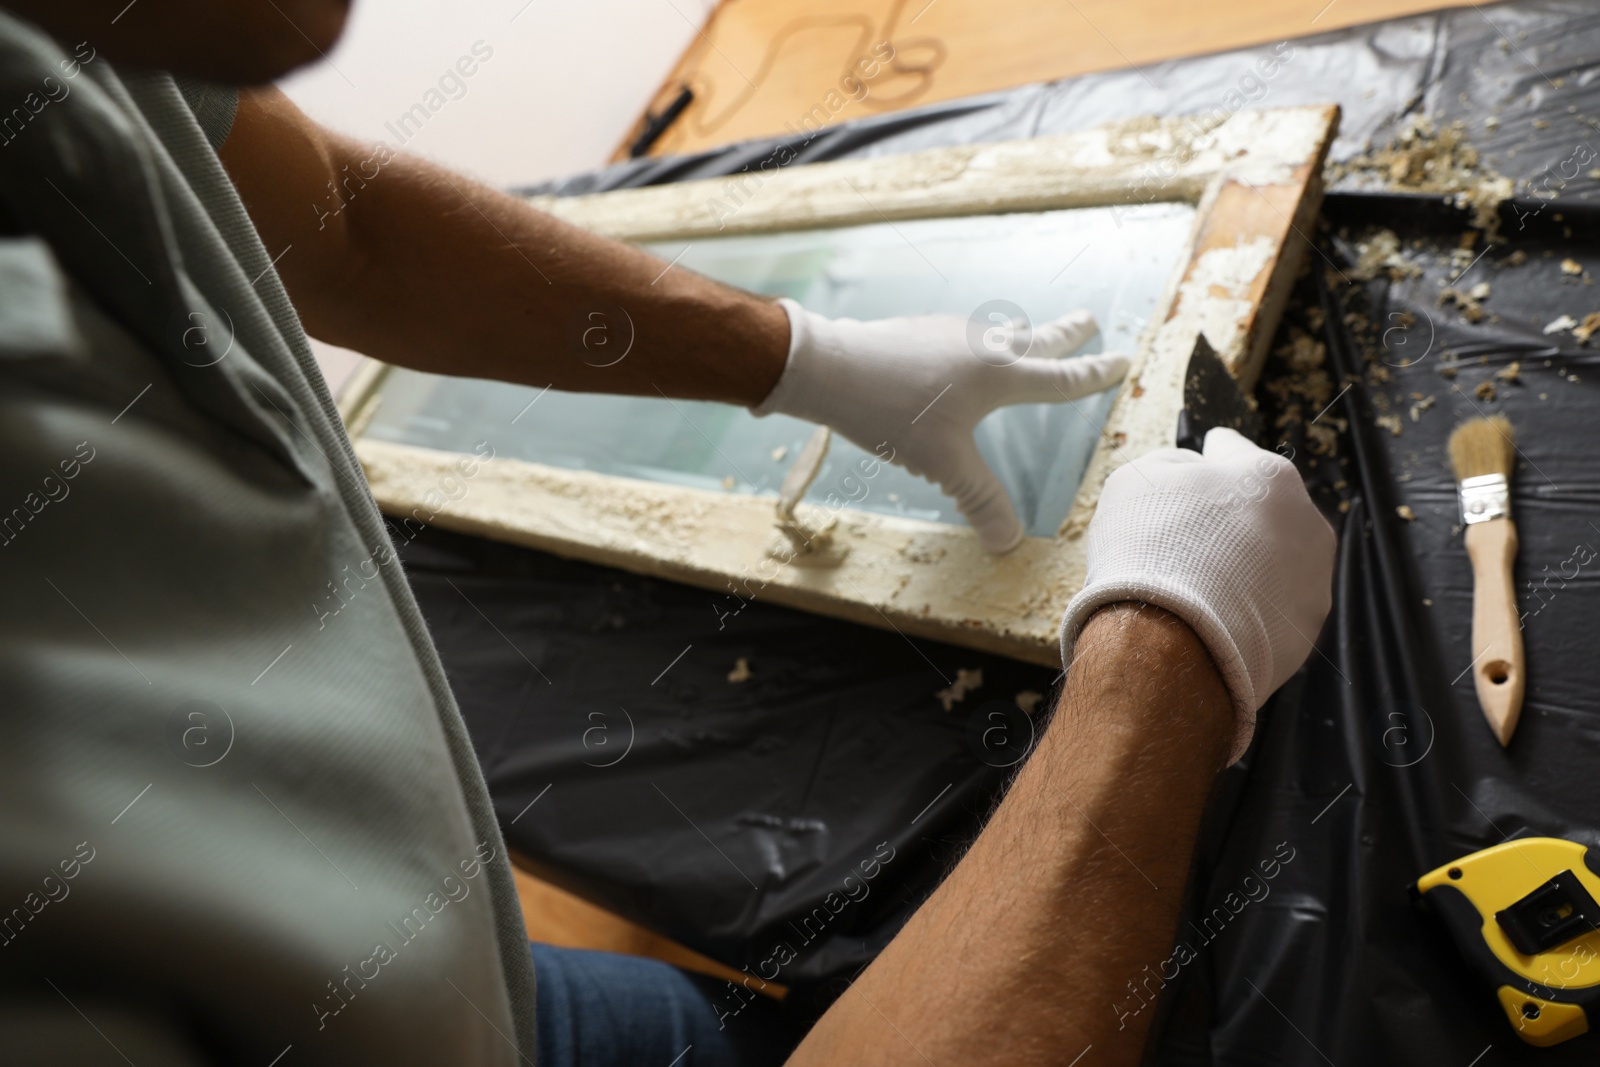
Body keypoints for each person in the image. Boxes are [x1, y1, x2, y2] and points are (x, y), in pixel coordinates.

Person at [0, 1, 1336, 1064]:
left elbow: (336, 232)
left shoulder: (73, 39)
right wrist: (1167, 651)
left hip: (458, 994)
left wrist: (812, 356)